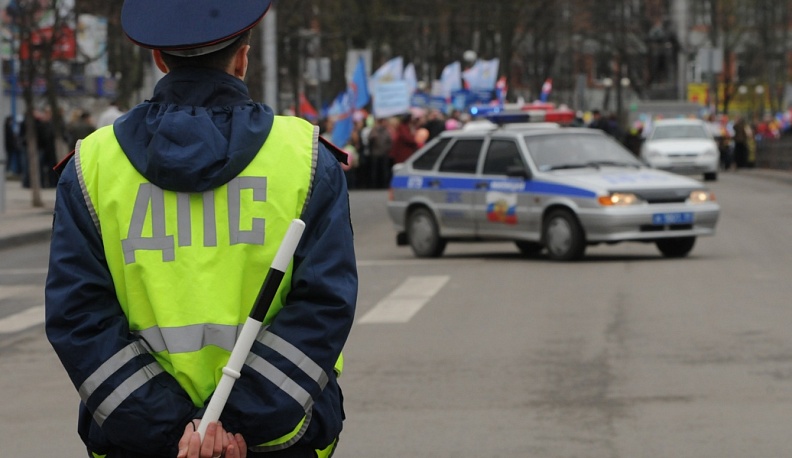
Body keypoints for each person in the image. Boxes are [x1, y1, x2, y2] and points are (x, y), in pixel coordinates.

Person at [45, 2, 357, 458]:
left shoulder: (91, 167)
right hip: (278, 438)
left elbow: (78, 317)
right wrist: (237, 424)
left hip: (142, 443)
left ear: (159, 59)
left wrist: (175, 430)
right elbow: (325, 305)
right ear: (242, 59)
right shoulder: (307, 159)